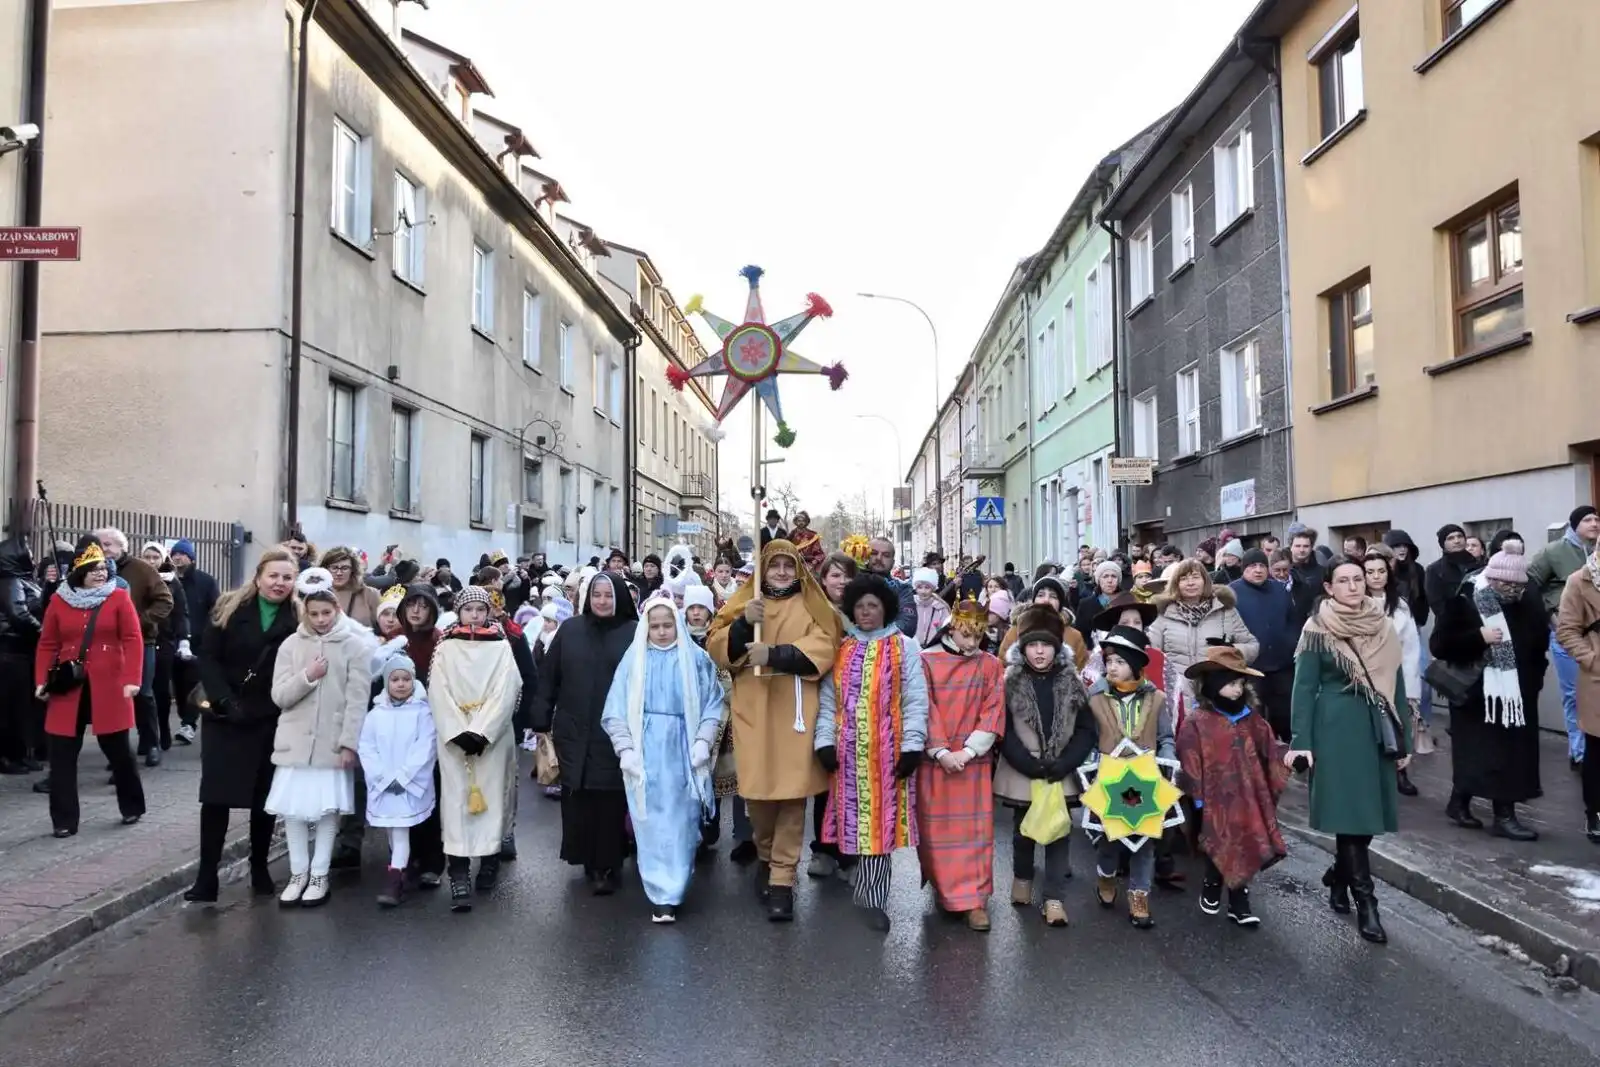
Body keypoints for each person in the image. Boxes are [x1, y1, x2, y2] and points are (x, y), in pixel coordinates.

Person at [707, 539, 841, 921]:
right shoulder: (745, 600)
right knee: (759, 796)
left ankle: (783, 879)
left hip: (795, 708)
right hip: (753, 707)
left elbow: (826, 643)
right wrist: (743, 625)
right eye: (774, 565)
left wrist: (778, 654)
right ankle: (765, 857)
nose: (781, 572)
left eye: (788, 565)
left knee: (793, 796)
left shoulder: (813, 603)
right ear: (763, 569)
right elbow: (715, 644)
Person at [1287, 557, 1409, 945]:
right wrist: (1301, 740)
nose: (1354, 586)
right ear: (1328, 587)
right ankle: (1367, 903)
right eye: (1344, 580)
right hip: (1335, 729)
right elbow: (1304, 689)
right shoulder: (1317, 629)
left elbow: (1396, 681)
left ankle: (1338, 877)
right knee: (1349, 816)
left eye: (1359, 579)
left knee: (1368, 816)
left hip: (1376, 728)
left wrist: (1402, 736)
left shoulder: (1383, 624)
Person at [185, 548, 301, 903]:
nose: (279, 583)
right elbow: (207, 656)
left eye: (287, 577)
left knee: (263, 798)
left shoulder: (299, 616)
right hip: (224, 716)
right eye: (273, 575)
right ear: (259, 576)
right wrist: (222, 700)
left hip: (269, 717)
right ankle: (207, 878)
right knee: (217, 797)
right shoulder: (229, 607)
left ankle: (260, 868)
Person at [813, 573, 927, 931]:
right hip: (847, 755)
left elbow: (914, 699)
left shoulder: (904, 646)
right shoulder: (842, 647)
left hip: (888, 754)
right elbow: (829, 700)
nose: (866, 612)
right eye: (860, 606)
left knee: (879, 828)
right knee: (853, 824)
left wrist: (912, 745)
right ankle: (857, 889)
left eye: (873, 606)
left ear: (885, 609)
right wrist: (824, 741)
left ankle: (872, 900)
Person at [601, 594, 722, 923]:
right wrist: (625, 748)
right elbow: (616, 708)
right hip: (646, 748)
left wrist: (702, 740)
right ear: (646, 628)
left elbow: (713, 702)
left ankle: (676, 886)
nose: (662, 632)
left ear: (678, 625)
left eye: (668, 625)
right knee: (650, 821)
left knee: (681, 819)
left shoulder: (695, 659)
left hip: (682, 748)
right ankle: (659, 894)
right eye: (655, 626)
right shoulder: (634, 660)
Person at [1429, 541, 1547, 841]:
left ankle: (1463, 804)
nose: (1510, 591)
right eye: (1503, 584)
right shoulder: (1467, 598)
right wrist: (1478, 637)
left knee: (1504, 755)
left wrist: (1535, 680)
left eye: (1516, 586)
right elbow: (1440, 644)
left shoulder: (1528, 597)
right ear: (1490, 578)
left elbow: (1539, 640)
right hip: (1477, 696)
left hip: (1516, 695)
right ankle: (1501, 816)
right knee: (1485, 755)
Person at [531, 571, 639, 896]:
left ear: (618, 598)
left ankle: (607, 863)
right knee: (579, 797)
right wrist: (540, 714)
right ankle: (586, 858)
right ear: (587, 598)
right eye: (596, 595)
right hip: (574, 728)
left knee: (609, 800)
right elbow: (549, 676)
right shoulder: (571, 630)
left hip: (615, 732)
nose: (602, 601)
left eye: (608, 595)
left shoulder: (634, 632)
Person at [266, 569, 370, 907]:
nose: (321, 620)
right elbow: (280, 695)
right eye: (314, 614)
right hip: (295, 743)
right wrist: (308, 676)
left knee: (327, 813)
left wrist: (348, 743)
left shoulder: (355, 646)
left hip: (330, 743)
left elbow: (357, 700)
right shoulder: (291, 645)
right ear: (305, 613)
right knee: (293, 813)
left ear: (337, 610)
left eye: (327, 613)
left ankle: (319, 874)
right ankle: (298, 873)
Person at [995, 602, 1096, 928]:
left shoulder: (1071, 680)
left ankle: (1054, 898)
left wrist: (1066, 761)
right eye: (1033, 646)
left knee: (1058, 832)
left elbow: (1085, 729)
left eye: (1046, 645)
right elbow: (1004, 729)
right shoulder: (1009, 681)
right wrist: (1024, 761)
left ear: (1057, 647)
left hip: (1059, 768)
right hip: (1022, 769)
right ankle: (1022, 878)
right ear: (1022, 649)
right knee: (1024, 830)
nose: (1039, 652)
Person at [35, 542, 146, 837]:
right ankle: (63, 821)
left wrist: (132, 679)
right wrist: (41, 681)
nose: (100, 573)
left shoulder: (119, 598)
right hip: (68, 683)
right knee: (61, 756)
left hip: (110, 683)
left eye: (102, 568)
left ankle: (132, 805)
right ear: (79, 571)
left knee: (119, 750)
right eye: (93, 569)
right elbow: (47, 642)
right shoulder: (60, 600)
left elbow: (133, 638)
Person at [1179, 644, 1288, 927]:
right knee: (1219, 842)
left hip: (1248, 796)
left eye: (1241, 682)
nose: (1237, 689)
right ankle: (1213, 882)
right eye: (1230, 683)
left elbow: (1270, 751)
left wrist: (1288, 762)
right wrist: (1199, 800)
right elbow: (1190, 758)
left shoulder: (1253, 720)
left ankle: (1239, 903)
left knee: (1244, 844)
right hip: (1213, 798)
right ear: (1214, 685)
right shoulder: (1198, 722)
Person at [429, 586, 522, 911]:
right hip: (455, 736)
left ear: (489, 612)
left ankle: (490, 859)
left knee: (493, 796)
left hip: (491, 736)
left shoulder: (500, 646)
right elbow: (437, 689)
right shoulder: (446, 647)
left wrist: (482, 731)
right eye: (469, 610)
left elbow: (508, 688)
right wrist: (458, 731)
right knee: (456, 800)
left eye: (481, 610)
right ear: (459, 612)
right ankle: (458, 872)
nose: (475, 615)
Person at [915, 597, 1006, 931]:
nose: (973, 644)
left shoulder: (990, 665)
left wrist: (969, 752)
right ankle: (946, 889)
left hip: (972, 761)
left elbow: (994, 709)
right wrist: (940, 751)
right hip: (937, 760)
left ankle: (973, 900)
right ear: (952, 626)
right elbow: (924, 707)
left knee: (975, 833)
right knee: (937, 831)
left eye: (978, 637)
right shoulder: (925, 661)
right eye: (967, 636)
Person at [1087, 627, 1173, 929]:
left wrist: (1169, 760)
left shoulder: (1157, 698)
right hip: (1108, 778)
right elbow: (1087, 737)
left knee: (1145, 840)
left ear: (1136, 665)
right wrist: (1091, 763)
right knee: (1110, 839)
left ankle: (1139, 895)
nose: (1112, 667)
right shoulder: (1095, 696)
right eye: (1108, 661)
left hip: (1145, 777)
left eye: (1120, 662)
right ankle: (1106, 876)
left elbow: (1166, 737)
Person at [358, 655, 437, 908]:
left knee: (401, 830)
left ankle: (393, 882)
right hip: (383, 784)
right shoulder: (375, 715)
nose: (401, 684)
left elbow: (425, 748)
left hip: (408, 784)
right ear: (386, 682)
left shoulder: (422, 712)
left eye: (406, 679)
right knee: (392, 829)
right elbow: (367, 748)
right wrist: (382, 777)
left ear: (414, 681)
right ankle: (400, 871)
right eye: (395, 679)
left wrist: (403, 777)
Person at [1146, 560, 1258, 727]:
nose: (1190, 583)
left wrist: (1230, 651)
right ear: (1176, 584)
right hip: (1177, 695)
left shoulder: (1226, 611)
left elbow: (1252, 645)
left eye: (1195, 577)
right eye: (1183, 578)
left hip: (1217, 694)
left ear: (1205, 581)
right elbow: (1150, 652)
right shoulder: (1163, 615)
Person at [1529, 506, 1599, 771]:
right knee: (1574, 694)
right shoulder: (1554, 552)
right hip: (1569, 634)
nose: (1594, 523)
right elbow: (1530, 584)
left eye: (1597, 519)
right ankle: (1579, 751)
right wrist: (1551, 618)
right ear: (1574, 524)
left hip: (1598, 637)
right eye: (1587, 519)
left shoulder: (1598, 551)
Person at [96, 528, 173, 768]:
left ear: (122, 547)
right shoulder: (93, 571)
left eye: (109, 544)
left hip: (141, 641)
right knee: (113, 697)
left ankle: (151, 744)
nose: (105, 548)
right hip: (106, 644)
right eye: (100, 544)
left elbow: (164, 600)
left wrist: (139, 622)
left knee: (142, 693)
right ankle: (119, 751)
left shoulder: (142, 569)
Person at [1363, 547, 1425, 798]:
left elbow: (1411, 648)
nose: (1376, 576)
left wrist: (1411, 686)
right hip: (1366, 675)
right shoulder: (1357, 603)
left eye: (1381, 571)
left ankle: (1401, 772)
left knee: (1399, 725)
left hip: (1396, 675)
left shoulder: (1400, 606)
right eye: (1370, 572)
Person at [1555, 549, 1600, 843]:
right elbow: (1567, 630)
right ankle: (1594, 812)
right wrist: (1593, 660)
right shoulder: (1579, 580)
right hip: (1598, 678)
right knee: (1597, 749)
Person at [1229, 549, 1297, 741]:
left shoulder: (1279, 590)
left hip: (1281, 665)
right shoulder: (1232, 592)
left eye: (1261, 566)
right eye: (1252, 566)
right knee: (1253, 717)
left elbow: (1292, 620)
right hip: (1250, 668)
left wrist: (1291, 644)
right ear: (1243, 569)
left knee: (1285, 715)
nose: (1258, 570)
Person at [168, 539, 219, 746]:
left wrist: (210, 637)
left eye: (182, 554)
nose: (178, 557)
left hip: (198, 643)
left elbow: (215, 610)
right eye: (175, 554)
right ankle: (183, 716)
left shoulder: (205, 581)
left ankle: (189, 724)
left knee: (192, 684)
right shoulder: (166, 580)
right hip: (171, 641)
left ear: (192, 558)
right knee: (178, 686)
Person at [0, 536, 44, 775]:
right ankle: (8, 756)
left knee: (21, 707)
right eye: (28, 552)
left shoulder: (21, 580)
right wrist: (42, 632)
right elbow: (18, 614)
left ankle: (19, 753)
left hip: (20, 651)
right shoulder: (10, 581)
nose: (32, 557)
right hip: (11, 651)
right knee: (12, 708)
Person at [864, 536, 917, 638]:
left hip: (890, 651)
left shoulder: (902, 589)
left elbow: (907, 626)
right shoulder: (850, 582)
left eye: (886, 555)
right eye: (874, 553)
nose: (879, 558)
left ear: (892, 562)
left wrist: (867, 637)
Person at [320, 546, 381, 627]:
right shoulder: (317, 594)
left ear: (353, 570)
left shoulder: (370, 594)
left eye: (344, 568)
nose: (339, 573)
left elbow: (383, 627)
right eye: (334, 568)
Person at [911, 566, 951, 647]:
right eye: (919, 587)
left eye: (927, 587)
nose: (923, 591)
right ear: (915, 588)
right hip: (912, 649)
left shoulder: (940, 608)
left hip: (934, 649)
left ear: (933, 588)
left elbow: (946, 631)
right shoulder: (910, 605)